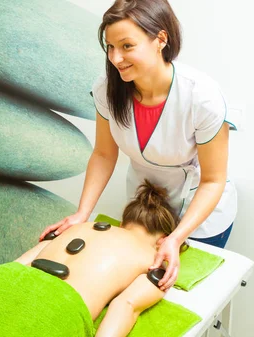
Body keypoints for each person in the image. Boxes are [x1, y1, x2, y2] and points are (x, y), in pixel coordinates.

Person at [40, 0, 236, 292]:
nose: (116, 58)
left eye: (127, 46)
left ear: (160, 39)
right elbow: (104, 154)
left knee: (175, 298)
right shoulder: (108, 89)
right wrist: (82, 214)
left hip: (198, 213)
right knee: (129, 289)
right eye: (110, 47)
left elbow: (212, 180)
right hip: (145, 210)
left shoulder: (201, 97)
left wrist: (176, 237)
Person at [0, 180, 186, 337]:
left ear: (125, 221)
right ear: (164, 240)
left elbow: (22, 262)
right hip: (57, 307)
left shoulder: (79, 226)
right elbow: (126, 306)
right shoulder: (153, 259)